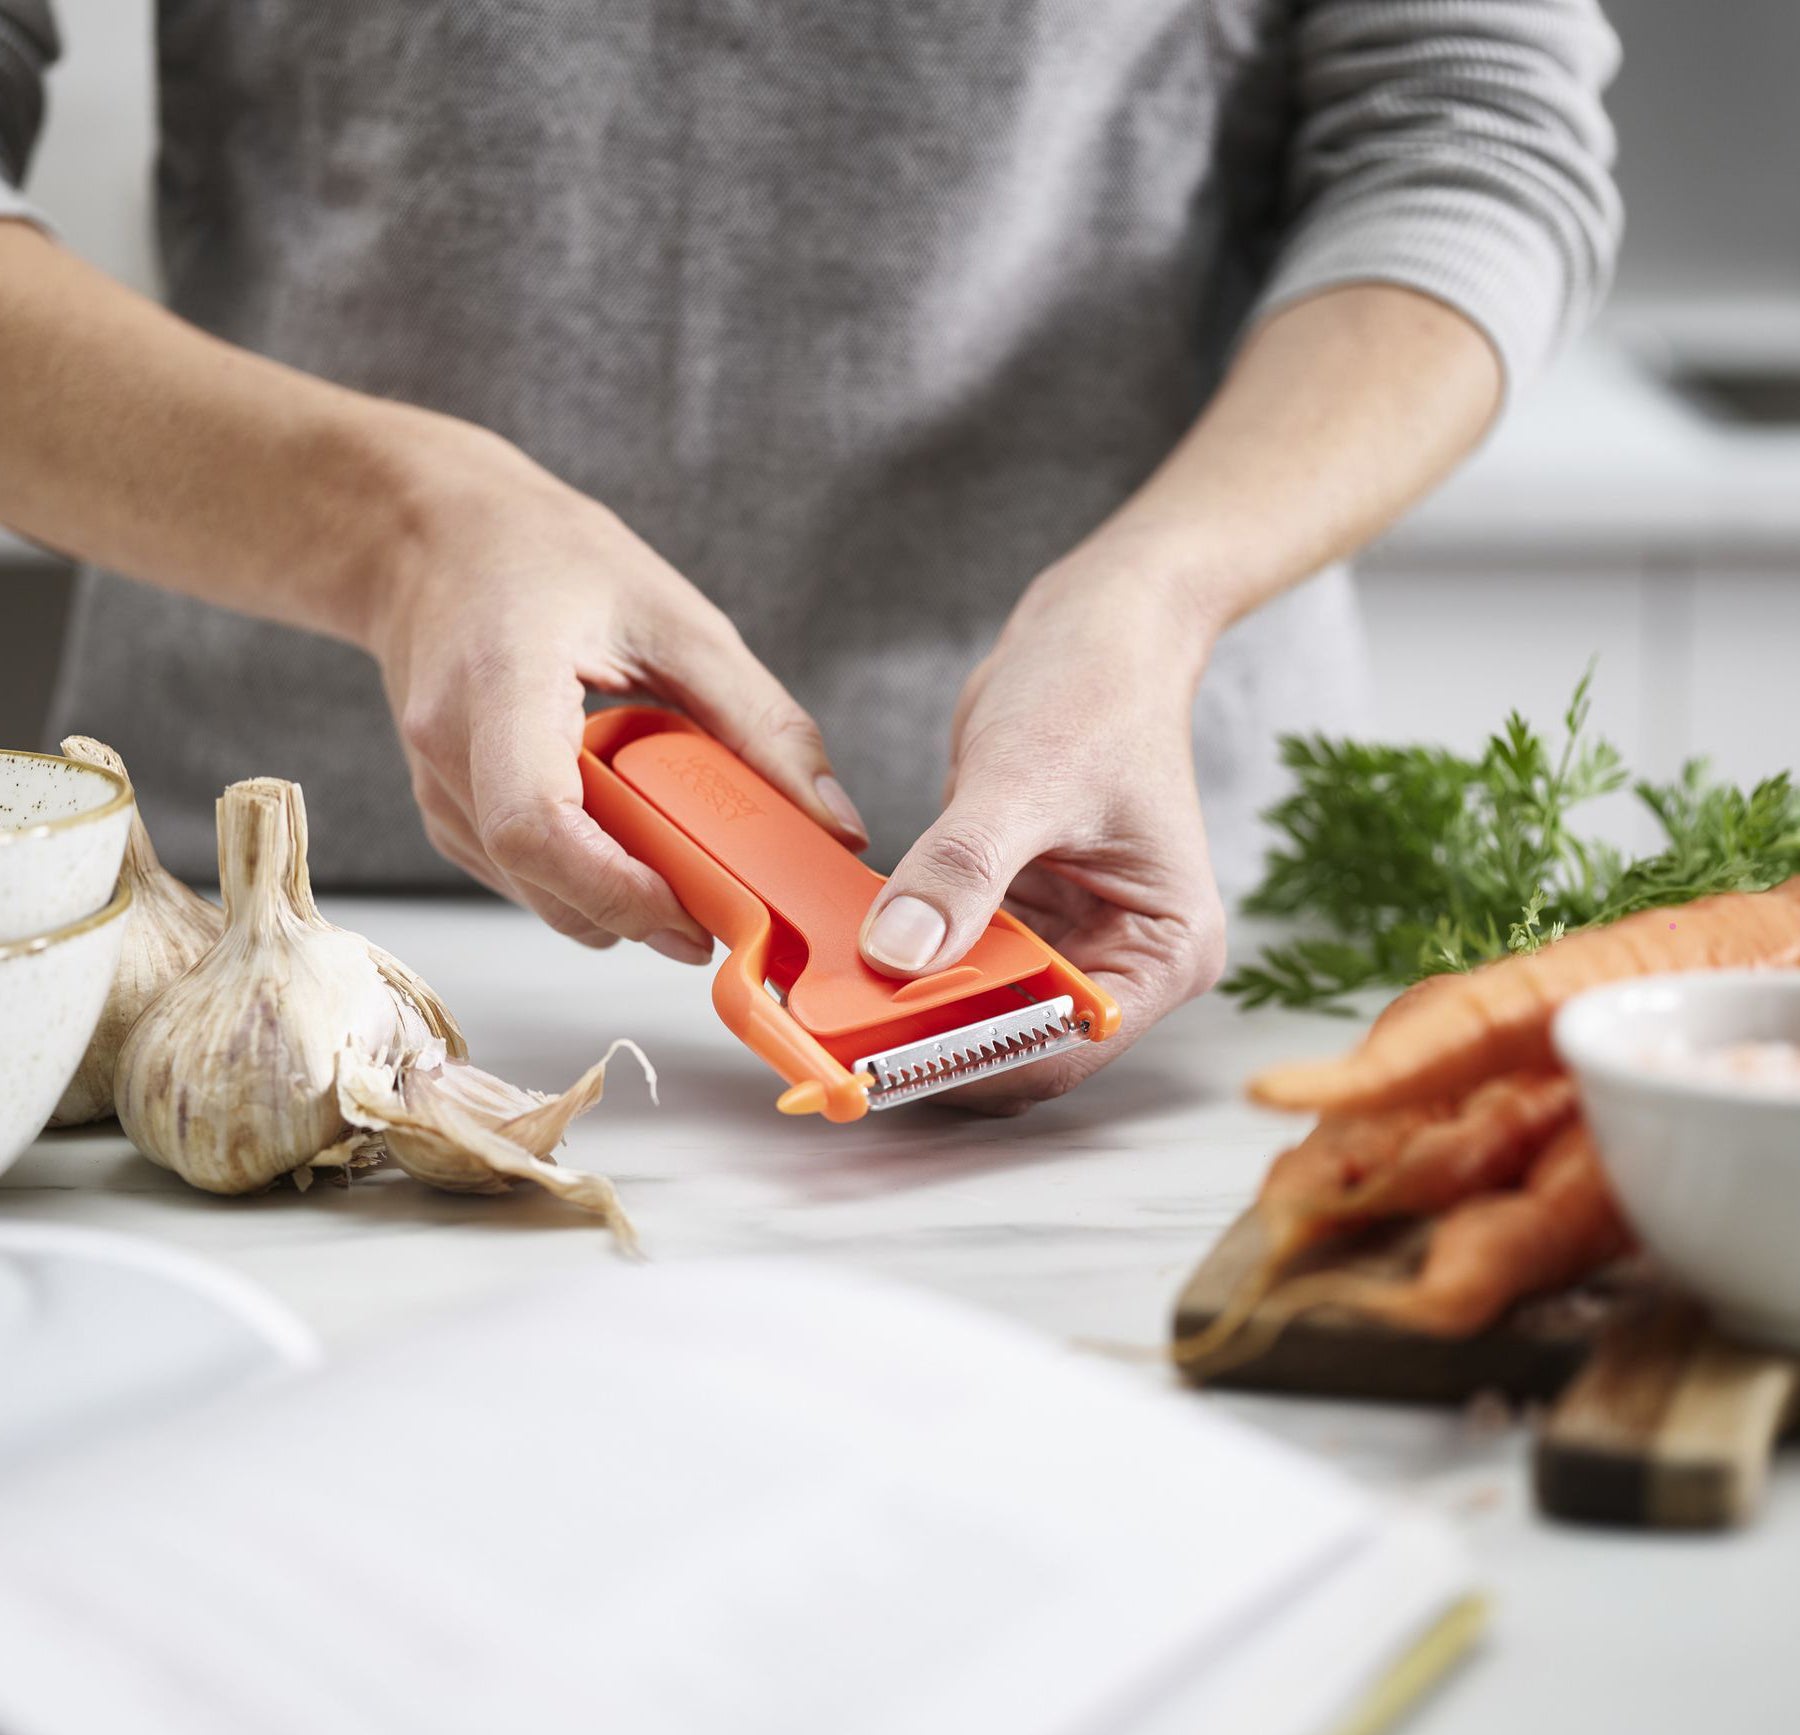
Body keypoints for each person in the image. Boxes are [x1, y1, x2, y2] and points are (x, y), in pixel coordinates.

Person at [0, 2, 1620, 1108]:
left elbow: (1474, 141)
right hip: (248, 955)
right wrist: (399, 531)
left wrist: (1159, 590)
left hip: (1104, 905)